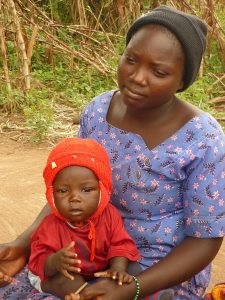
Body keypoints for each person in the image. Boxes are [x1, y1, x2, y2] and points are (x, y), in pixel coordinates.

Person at [0, 4, 225, 300]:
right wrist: (23, 243)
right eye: (131, 60)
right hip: (82, 252)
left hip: (156, 269)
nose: (138, 77)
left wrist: (135, 287)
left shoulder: (203, 138)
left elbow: (205, 240)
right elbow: (71, 189)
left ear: (182, 80)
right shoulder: (97, 112)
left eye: (158, 71)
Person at [27, 137, 141, 299]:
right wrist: (54, 262)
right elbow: (37, 261)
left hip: (99, 270)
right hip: (66, 275)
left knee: (132, 269)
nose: (75, 198)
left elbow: (120, 243)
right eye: (63, 191)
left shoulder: (110, 215)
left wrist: (117, 269)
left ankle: (151, 294)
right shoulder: (50, 226)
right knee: (66, 280)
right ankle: (86, 295)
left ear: (102, 189)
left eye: (86, 190)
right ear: (51, 194)